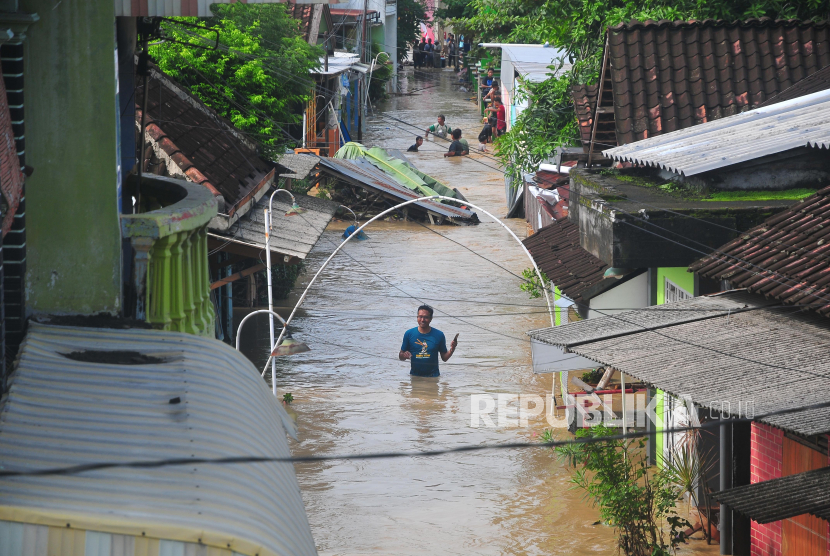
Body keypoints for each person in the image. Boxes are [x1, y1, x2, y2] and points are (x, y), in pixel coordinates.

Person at [399, 305, 457, 377]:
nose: (422, 320)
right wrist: (404, 355)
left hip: (433, 377)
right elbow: (401, 356)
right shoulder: (409, 334)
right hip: (415, 377)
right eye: (420, 316)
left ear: (431, 319)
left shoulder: (439, 335)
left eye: (426, 317)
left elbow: (444, 358)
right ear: (417, 317)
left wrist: (452, 349)